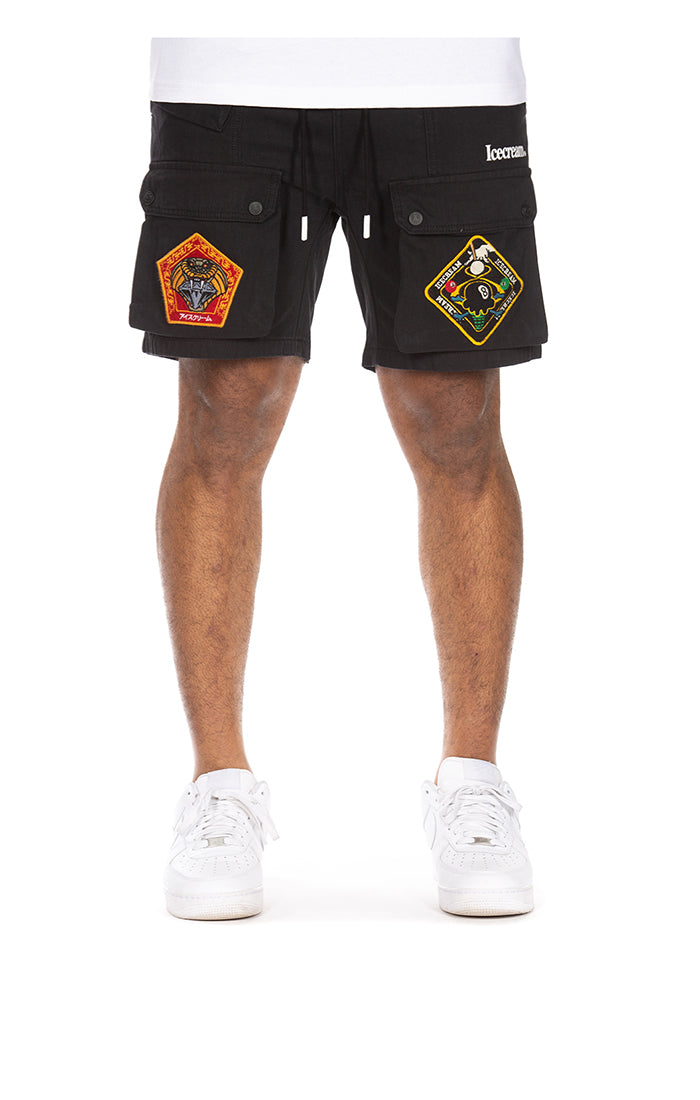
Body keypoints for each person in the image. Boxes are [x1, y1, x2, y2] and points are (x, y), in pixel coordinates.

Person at [128, 37, 548, 920]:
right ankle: (218, 786)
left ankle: (473, 781)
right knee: (224, 404)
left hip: (447, 74)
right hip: (229, 73)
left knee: (457, 413)